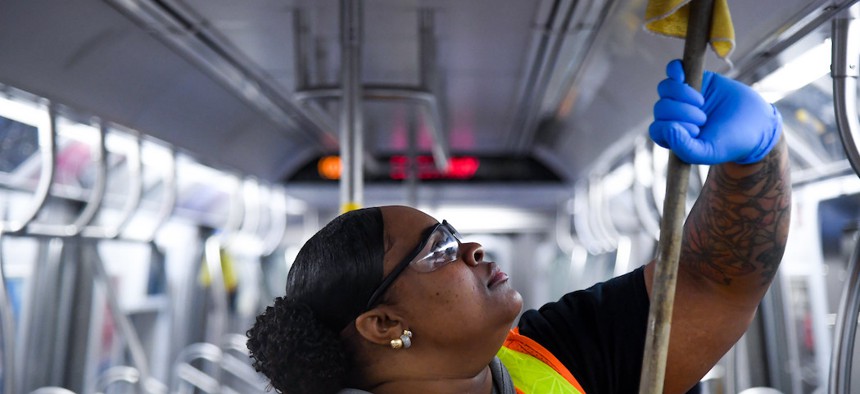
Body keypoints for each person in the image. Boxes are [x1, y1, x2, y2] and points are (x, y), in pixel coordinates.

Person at [246, 59, 791, 394]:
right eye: (437, 251)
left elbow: (711, 282)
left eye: (454, 236)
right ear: (384, 323)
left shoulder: (550, 355)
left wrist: (754, 160)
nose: (472, 250)